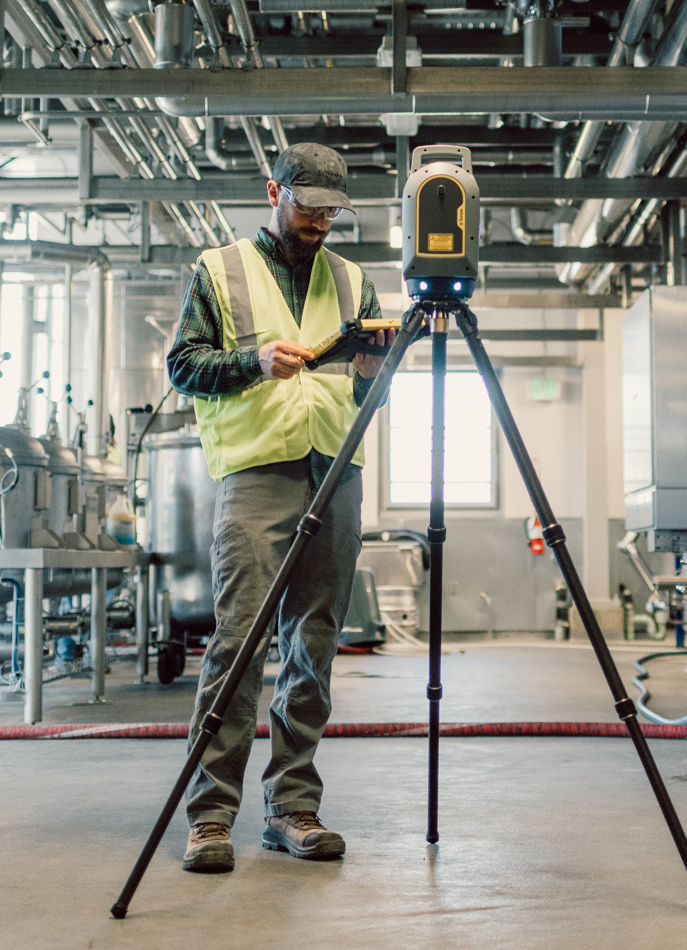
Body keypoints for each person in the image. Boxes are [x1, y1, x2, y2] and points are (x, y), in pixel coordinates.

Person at [166, 143, 395, 873]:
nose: (322, 223)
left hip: (336, 469)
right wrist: (254, 361)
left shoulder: (354, 280)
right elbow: (183, 367)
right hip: (258, 470)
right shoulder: (218, 269)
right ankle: (210, 817)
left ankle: (292, 807)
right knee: (238, 643)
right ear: (275, 192)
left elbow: (370, 393)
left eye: (332, 212)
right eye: (309, 207)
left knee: (314, 644)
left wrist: (371, 370)